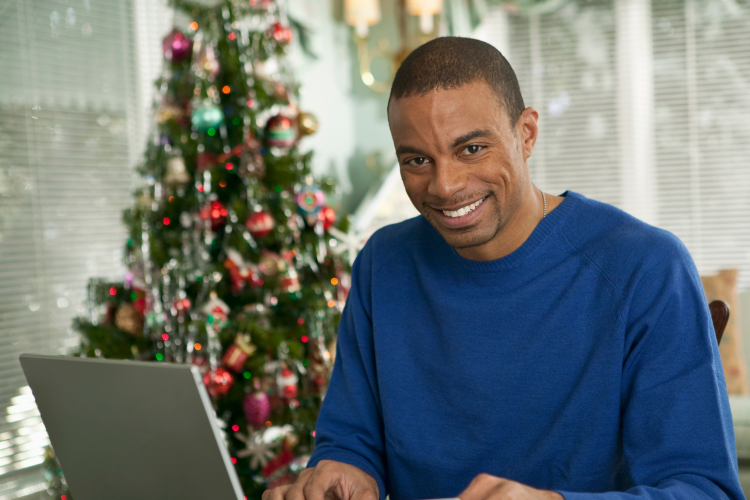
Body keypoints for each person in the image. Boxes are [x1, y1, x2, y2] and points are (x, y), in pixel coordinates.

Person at [263, 37, 744, 500]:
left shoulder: (646, 266)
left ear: (526, 133)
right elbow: (349, 443)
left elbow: (703, 489)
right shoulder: (382, 263)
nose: (446, 186)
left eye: (471, 148)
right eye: (416, 160)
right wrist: (346, 472)